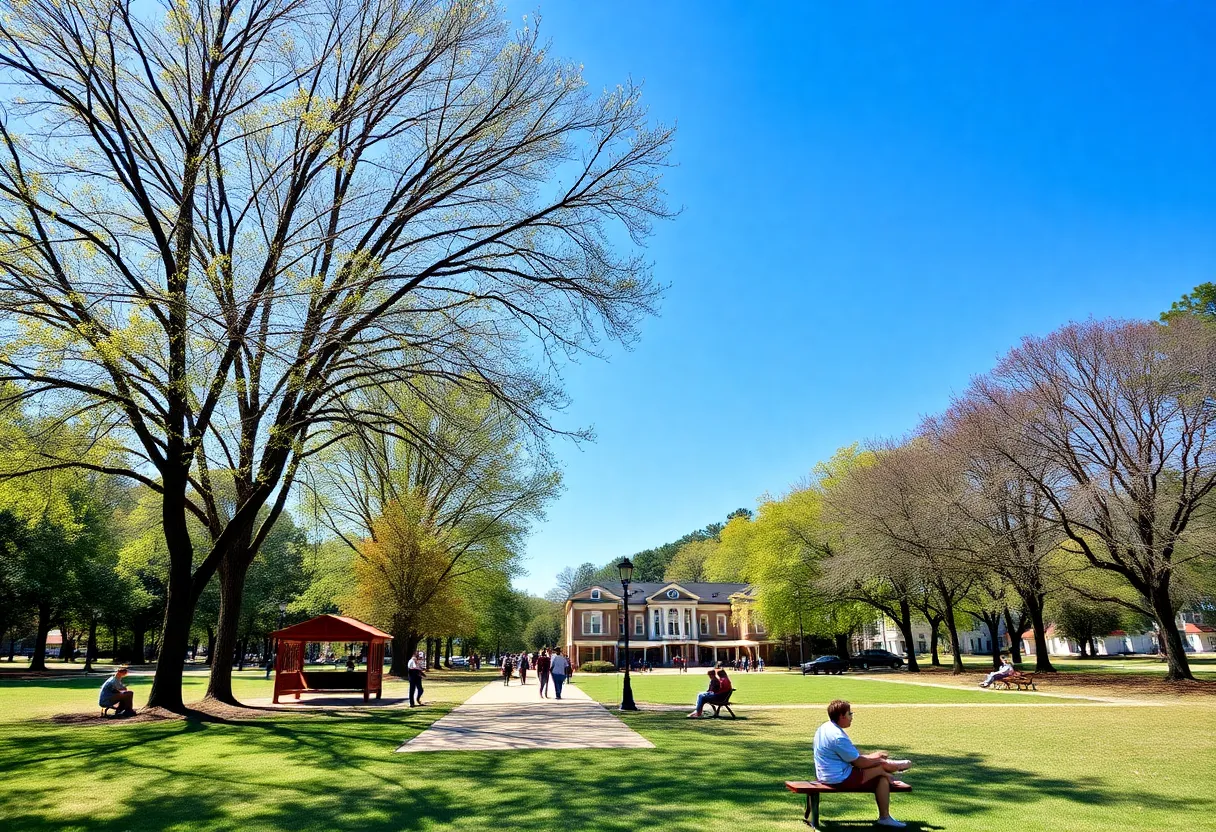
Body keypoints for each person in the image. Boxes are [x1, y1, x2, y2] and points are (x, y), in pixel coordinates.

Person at [813, 699, 912, 829]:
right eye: (849, 714)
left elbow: (854, 757)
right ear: (842, 716)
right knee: (881, 767)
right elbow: (859, 763)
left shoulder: (825, 727)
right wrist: (878, 760)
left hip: (828, 775)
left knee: (881, 777)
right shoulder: (838, 737)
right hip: (838, 779)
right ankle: (898, 767)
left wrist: (874, 757)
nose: (852, 717)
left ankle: (885, 817)